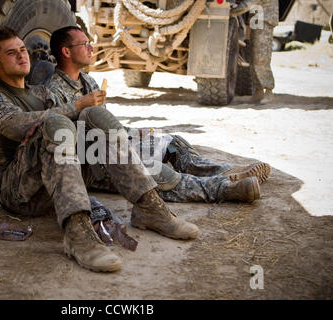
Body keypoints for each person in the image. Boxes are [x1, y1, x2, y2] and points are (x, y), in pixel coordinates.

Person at [0, 27, 199, 273]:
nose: (21, 56)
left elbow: (78, 122)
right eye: (11, 53)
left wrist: (84, 111)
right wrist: (72, 107)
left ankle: (148, 207)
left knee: (94, 114)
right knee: (58, 122)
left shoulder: (39, 92)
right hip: (18, 192)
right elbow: (14, 125)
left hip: (58, 182)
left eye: (23, 50)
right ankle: (78, 234)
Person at [43, 26, 271, 204]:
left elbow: (104, 123)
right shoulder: (53, 91)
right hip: (94, 161)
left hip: (112, 144)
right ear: (66, 51)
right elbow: (69, 139)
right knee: (156, 172)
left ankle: (225, 172)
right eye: (85, 44)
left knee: (171, 142)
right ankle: (225, 189)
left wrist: (132, 134)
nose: (91, 48)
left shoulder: (88, 81)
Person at [248, 0, 279, 104]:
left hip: (265, 20)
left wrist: (234, 10)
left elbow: (249, 2)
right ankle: (258, 91)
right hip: (257, 20)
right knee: (252, 57)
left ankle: (269, 91)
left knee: (261, 57)